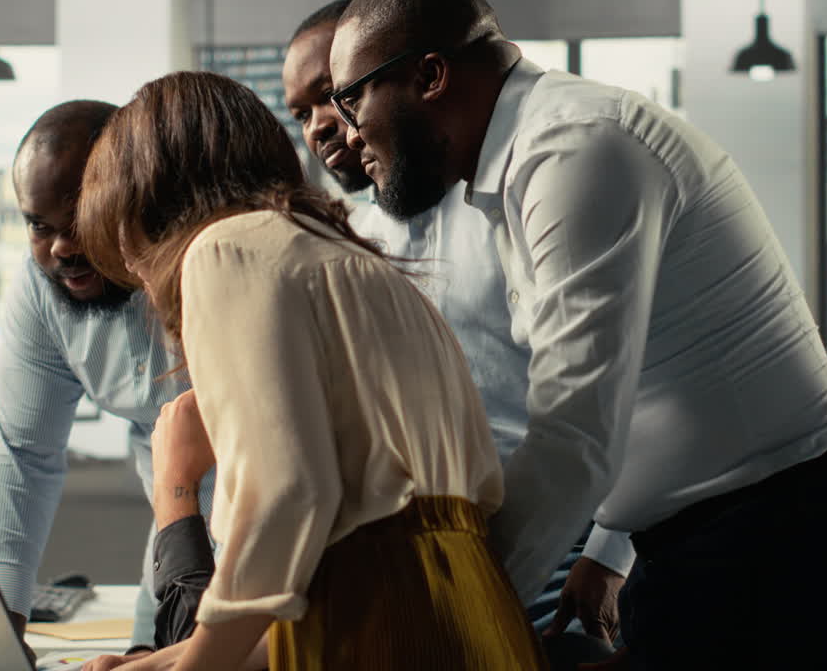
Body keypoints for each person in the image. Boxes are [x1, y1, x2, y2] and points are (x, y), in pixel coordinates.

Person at [328, 0, 827, 670]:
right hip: (718, 542)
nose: (347, 132)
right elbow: (633, 385)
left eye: (349, 97)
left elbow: (575, 428)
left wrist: (451, 614)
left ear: (430, 75)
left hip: (794, 541)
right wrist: (610, 544)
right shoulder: (518, 172)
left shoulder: (572, 148)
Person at [76, 71, 547, 671]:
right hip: (475, 623)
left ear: (150, 202)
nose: (138, 275)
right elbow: (349, 588)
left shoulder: (224, 249)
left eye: (127, 249)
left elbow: (287, 496)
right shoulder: (361, 267)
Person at [283, 0, 630, 644]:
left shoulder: (519, 200)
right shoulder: (350, 233)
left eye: (334, 95)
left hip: (561, 536)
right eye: (301, 113)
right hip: (427, 544)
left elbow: (617, 390)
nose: (321, 126)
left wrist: (610, 553)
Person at [0, 100, 199, 664]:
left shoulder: (201, 267)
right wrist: (1, 636)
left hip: (262, 553)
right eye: (39, 225)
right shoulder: (40, 292)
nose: (61, 247)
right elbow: (23, 456)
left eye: (80, 220)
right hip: (171, 545)